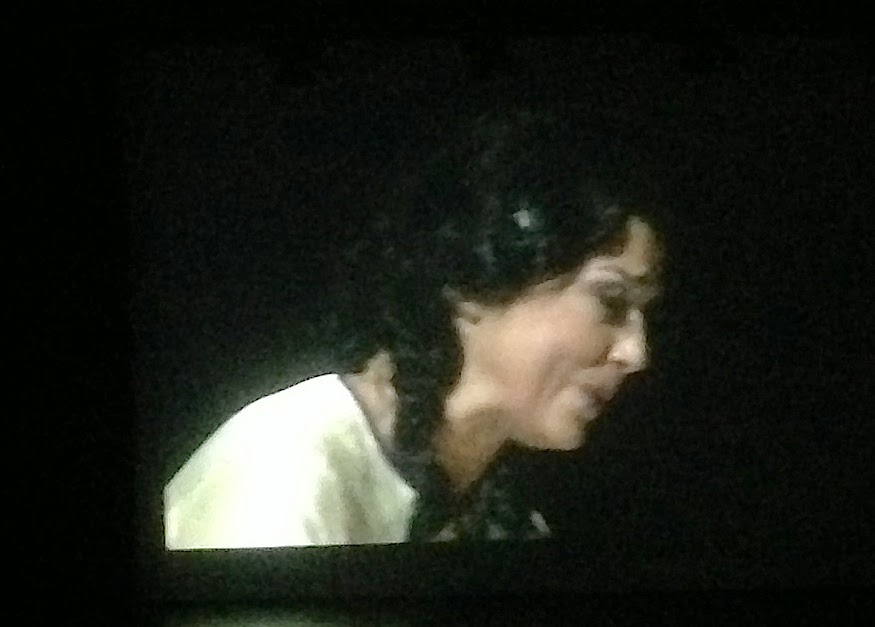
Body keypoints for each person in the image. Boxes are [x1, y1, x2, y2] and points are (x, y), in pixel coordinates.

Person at [163, 106, 665, 549]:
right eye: (610, 300)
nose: (636, 353)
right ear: (475, 281)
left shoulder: (505, 521)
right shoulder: (282, 468)